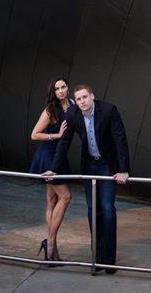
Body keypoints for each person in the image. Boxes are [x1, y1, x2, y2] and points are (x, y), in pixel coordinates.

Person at [44, 83, 130, 273]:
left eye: (85, 97)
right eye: (79, 98)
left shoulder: (109, 110)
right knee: (93, 210)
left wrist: (124, 170)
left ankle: (109, 261)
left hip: (107, 165)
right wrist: (53, 169)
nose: (82, 101)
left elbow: (120, 139)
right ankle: (97, 257)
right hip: (90, 165)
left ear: (92, 96)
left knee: (107, 209)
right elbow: (64, 142)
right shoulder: (73, 113)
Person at [30, 76, 74, 262]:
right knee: (65, 196)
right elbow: (34, 134)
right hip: (48, 156)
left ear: (68, 88)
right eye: (57, 89)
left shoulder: (73, 104)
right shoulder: (50, 110)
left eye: (63, 87)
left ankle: (52, 250)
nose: (61, 91)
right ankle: (51, 242)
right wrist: (56, 135)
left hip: (60, 156)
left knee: (51, 199)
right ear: (53, 92)